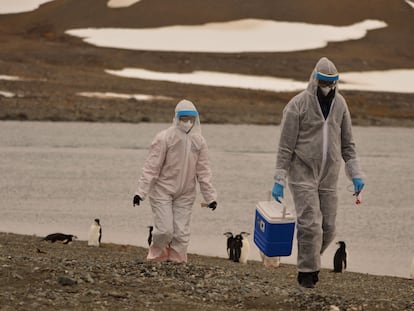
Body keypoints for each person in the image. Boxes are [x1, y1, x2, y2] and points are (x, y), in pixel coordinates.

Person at [271, 57, 365, 288]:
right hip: (302, 173)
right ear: (315, 79)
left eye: (332, 83)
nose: (328, 87)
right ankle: (306, 274)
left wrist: (355, 174)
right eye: (324, 82)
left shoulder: (341, 105)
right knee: (310, 224)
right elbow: (285, 146)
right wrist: (279, 179)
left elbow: (348, 144)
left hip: (329, 176)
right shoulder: (297, 105)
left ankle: (310, 261)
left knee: (329, 228)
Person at [133, 99, 217, 263]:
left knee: (181, 232)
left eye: (190, 119)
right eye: (184, 118)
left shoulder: (199, 141)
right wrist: (140, 192)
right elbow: (151, 167)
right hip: (162, 190)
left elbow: (204, 171)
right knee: (164, 230)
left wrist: (210, 197)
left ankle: (177, 259)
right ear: (176, 117)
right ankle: (157, 255)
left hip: (186, 192)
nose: (187, 122)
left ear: (195, 119)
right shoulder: (164, 138)